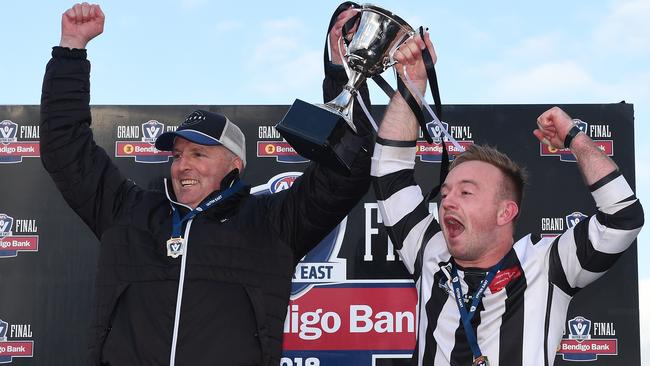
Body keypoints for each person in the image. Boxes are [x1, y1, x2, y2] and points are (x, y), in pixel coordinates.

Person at [40, 3, 371, 365]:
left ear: (236, 164)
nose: (183, 165)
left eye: (199, 154)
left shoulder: (272, 223)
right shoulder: (128, 212)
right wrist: (71, 50)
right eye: (177, 155)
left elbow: (346, 171)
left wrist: (342, 73)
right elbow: (65, 148)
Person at [371, 34, 644, 365]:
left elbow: (622, 217)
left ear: (505, 212)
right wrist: (412, 87)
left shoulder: (547, 265)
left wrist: (574, 137)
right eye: (444, 193)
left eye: (466, 192)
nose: (448, 202)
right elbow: (390, 173)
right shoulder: (429, 252)